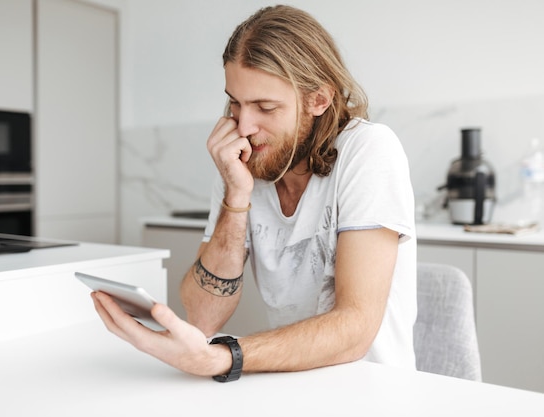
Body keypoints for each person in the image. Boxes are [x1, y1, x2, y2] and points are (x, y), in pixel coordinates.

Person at [92, 4, 417, 382]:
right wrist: (236, 195)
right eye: (235, 102)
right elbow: (203, 316)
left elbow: (355, 328)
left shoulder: (368, 150)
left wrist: (223, 357)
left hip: (375, 390)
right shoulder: (244, 164)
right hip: (290, 383)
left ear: (319, 100)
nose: (244, 126)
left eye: (265, 107)